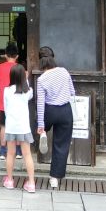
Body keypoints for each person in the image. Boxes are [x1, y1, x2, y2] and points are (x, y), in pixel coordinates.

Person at [35, 46, 75, 189]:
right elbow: (72, 92)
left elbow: (40, 103)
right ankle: (54, 178)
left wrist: (41, 125)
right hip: (65, 111)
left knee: (41, 126)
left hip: (50, 110)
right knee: (61, 144)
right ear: (53, 58)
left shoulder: (41, 79)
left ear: (40, 60)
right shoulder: (64, 71)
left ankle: (43, 133)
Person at [2, 63, 36, 193]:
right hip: (23, 127)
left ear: (11, 76)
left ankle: (10, 180)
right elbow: (29, 92)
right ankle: (31, 183)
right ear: (23, 76)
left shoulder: (6, 91)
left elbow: (6, 110)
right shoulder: (27, 92)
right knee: (27, 154)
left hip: (11, 127)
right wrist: (26, 79)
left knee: (10, 154)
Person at [0, 42, 22, 160]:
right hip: (17, 101)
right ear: (17, 56)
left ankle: (3, 151)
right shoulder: (20, 68)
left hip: (3, 102)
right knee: (18, 126)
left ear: (5, 55)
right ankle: (18, 151)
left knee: (3, 126)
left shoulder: (0, 67)